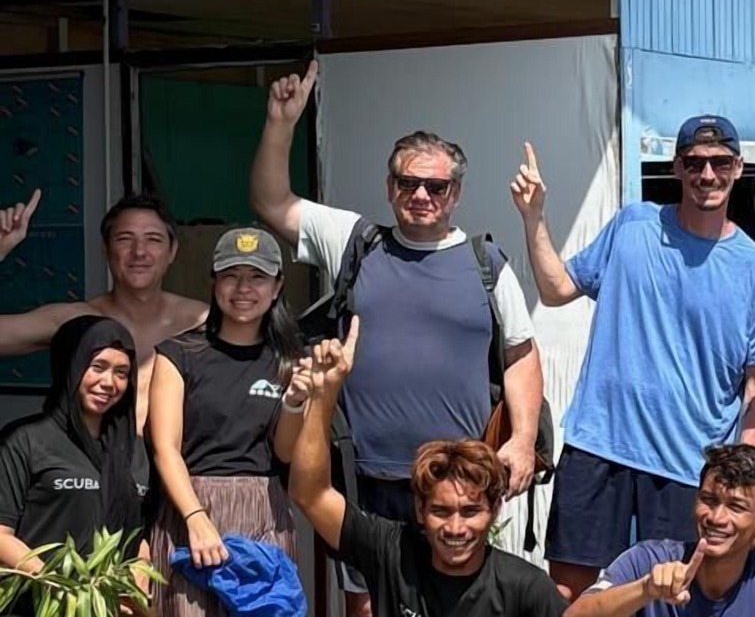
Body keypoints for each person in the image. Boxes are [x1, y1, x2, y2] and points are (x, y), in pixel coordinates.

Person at [249, 62, 545, 616]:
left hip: (455, 488)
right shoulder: (354, 242)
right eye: (408, 183)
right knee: (366, 605)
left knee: (459, 599)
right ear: (390, 187)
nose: (421, 195)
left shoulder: (486, 263)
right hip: (364, 476)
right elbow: (271, 203)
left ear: (455, 192)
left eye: (436, 185)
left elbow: (521, 354)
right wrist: (281, 124)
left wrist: (523, 439)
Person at [511, 116, 755, 598]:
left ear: (738, 168)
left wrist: (745, 459)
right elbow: (555, 290)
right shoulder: (632, 225)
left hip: (689, 462)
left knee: (681, 595)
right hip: (600, 444)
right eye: (694, 162)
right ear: (677, 167)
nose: (707, 174)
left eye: (720, 162)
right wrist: (534, 217)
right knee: (571, 594)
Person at [288, 317, 568, 617]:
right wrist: (323, 396)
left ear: (494, 509)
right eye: (441, 511)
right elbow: (310, 493)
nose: (456, 528)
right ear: (420, 510)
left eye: (470, 511)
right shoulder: (391, 552)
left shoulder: (526, 589)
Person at [148, 227, 311, 617]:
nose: (243, 288)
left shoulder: (290, 358)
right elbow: (164, 448)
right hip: (189, 504)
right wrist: (195, 518)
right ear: (214, 282)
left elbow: (285, 453)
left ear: (277, 286)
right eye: (231, 275)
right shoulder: (178, 353)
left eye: (257, 277)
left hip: (263, 511)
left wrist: (295, 402)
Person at [0, 192, 208, 427]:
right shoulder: (76, 320)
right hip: (91, 461)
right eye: (124, 239)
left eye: (153, 239)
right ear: (106, 249)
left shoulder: (202, 323)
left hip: (180, 462)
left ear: (172, 251)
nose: (139, 251)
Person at [0, 316, 152, 613]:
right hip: (37, 604)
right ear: (70, 366)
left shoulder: (135, 450)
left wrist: (140, 572)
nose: (109, 382)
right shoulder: (25, 440)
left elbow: (140, 534)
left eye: (122, 372)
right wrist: (63, 589)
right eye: (97, 367)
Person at [567, 444, 755, 617]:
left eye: (736, 506)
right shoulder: (646, 561)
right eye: (709, 500)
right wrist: (646, 589)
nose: (716, 517)